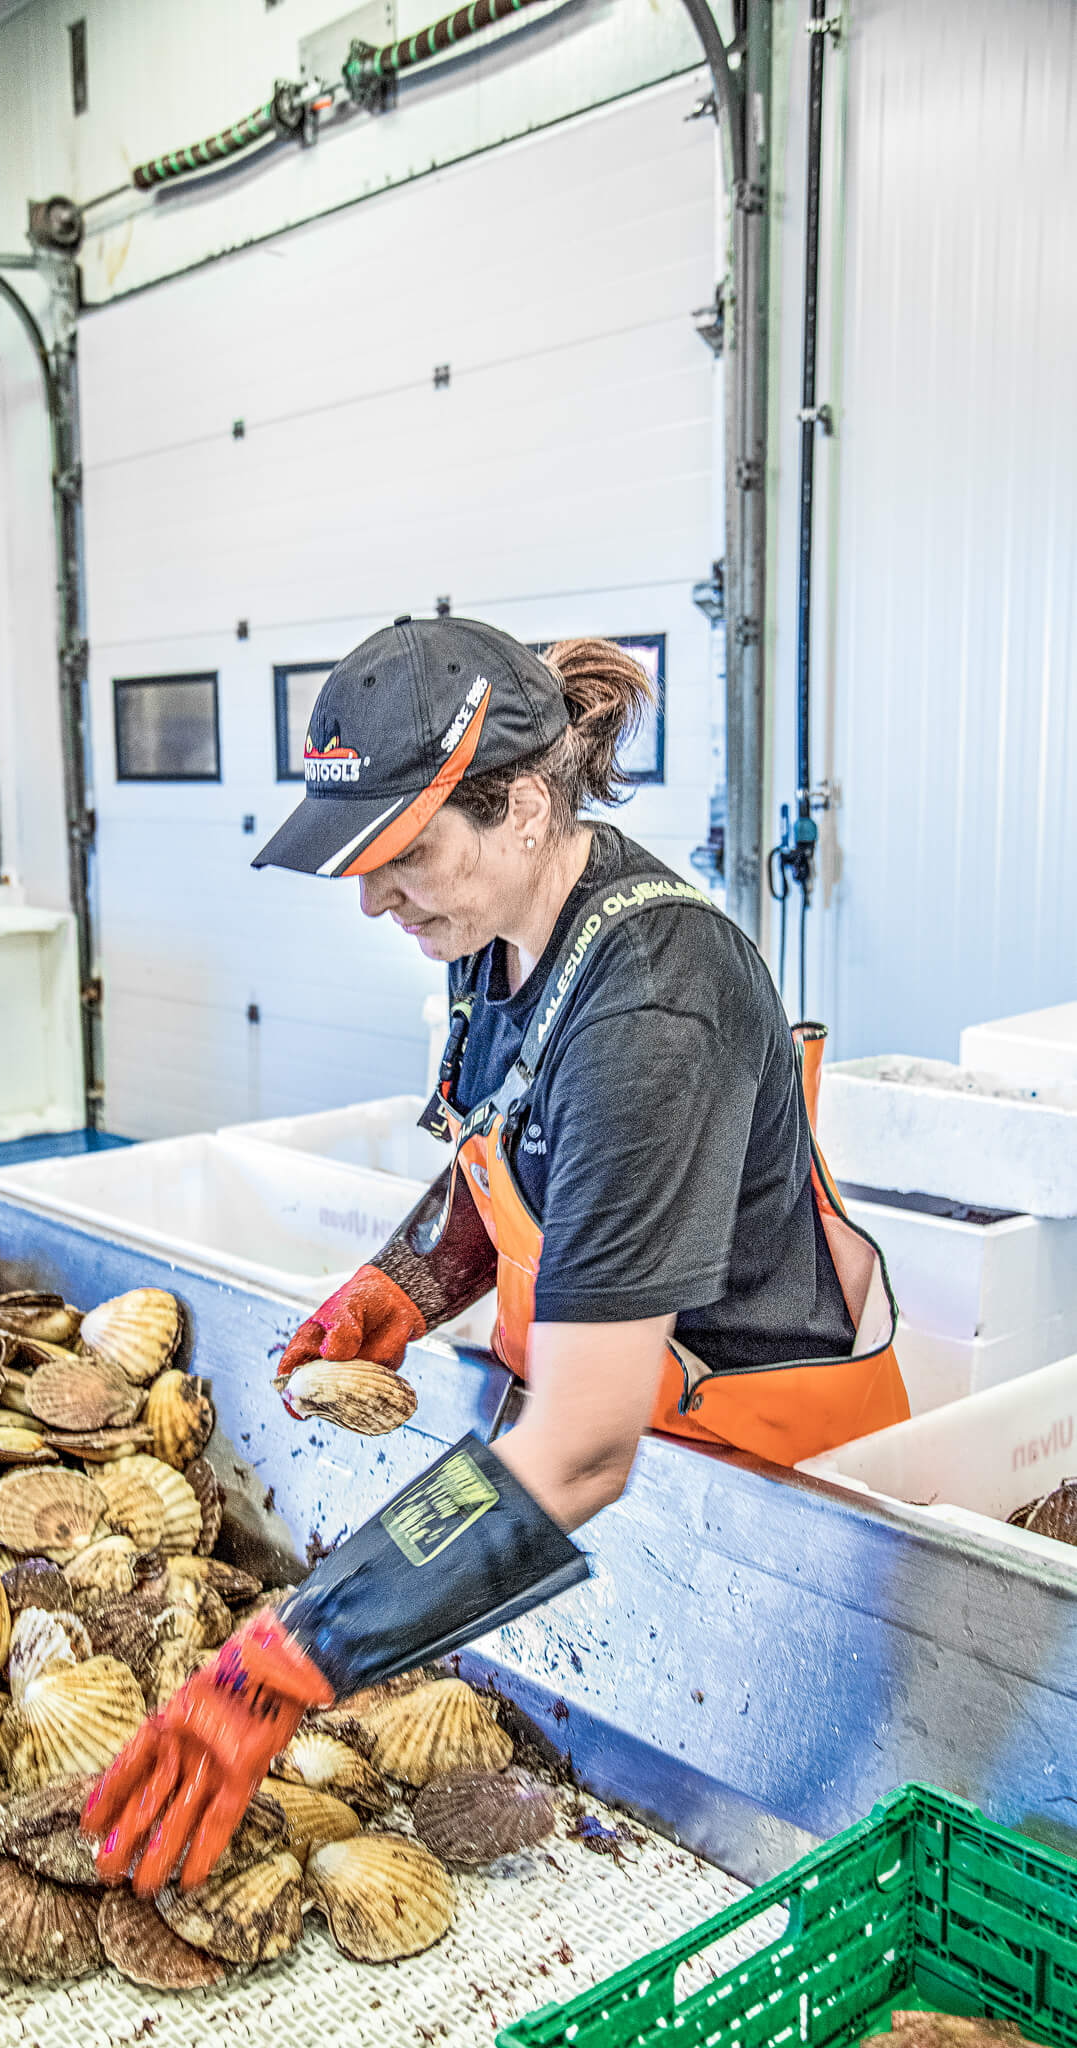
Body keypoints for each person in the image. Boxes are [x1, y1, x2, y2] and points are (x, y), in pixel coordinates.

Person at [85, 616, 908, 1893]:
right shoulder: (504, 930)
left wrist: (294, 1649)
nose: (370, 896)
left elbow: (585, 1446)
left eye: (403, 854)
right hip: (608, 1466)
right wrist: (408, 1280)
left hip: (757, 1504)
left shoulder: (651, 1006)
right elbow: (513, 1136)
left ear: (523, 805)